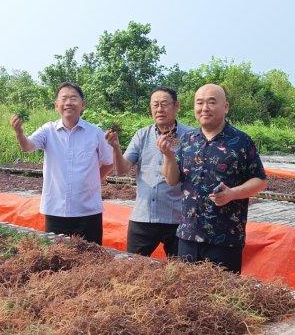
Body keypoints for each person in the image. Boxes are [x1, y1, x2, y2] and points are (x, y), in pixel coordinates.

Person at [157, 84, 267, 273]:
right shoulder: (187, 139)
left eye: (211, 102)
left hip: (225, 240)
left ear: (225, 107)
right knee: (187, 293)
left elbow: (260, 180)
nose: (204, 108)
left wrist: (232, 193)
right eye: (199, 103)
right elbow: (172, 180)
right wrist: (167, 155)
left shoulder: (241, 141)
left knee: (223, 297)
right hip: (187, 236)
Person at [11, 82, 113, 244]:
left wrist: (94, 181)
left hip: (87, 211)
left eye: (73, 98)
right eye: (64, 98)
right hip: (55, 211)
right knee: (57, 260)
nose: (68, 103)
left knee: (91, 259)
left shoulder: (95, 133)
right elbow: (28, 147)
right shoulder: (48, 130)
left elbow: (109, 162)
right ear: (56, 105)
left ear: (83, 104)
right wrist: (19, 133)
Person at [106, 87, 193, 257]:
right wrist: (116, 147)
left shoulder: (191, 136)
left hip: (178, 217)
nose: (159, 109)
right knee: (133, 268)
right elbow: (123, 170)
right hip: (143, 216)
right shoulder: (142, 135)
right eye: (155, 105)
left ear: (176, 106)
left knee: (181, 272)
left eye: (164, 104)